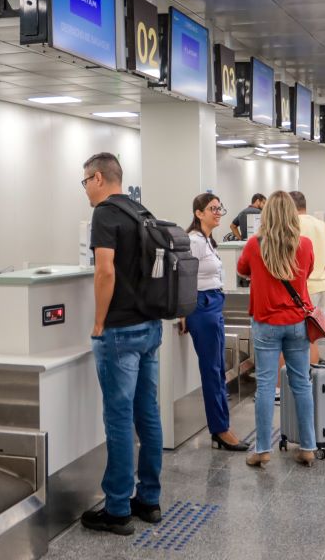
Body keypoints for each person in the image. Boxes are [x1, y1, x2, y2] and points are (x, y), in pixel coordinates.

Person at [80, 152, 162, 535]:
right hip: (149, 326)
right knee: (148, 414)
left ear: (98, 178)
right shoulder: (140, 210)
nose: (85, 190)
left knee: (118, 418)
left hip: (120, 331)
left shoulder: (104, 214)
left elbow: (105, 269)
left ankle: (116, 509)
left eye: (85, 182)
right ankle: (148, 500)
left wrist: (99, 322)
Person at [237, 191, 317, 469]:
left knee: (265, 388)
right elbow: (305, 274)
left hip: (266, 325)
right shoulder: (305, 244)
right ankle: (308, 446)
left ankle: (262, 450)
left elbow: (242, 269)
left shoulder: (254, 244)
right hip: (297, 323)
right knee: (301, 384)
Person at [178, 193, 249, 452]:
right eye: (212, 208)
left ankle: (222, 426)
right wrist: (183, 311)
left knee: (217, 369)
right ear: (198, 213)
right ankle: (220, 429)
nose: (218, 212)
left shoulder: (208, 241)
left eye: (220, 208)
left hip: (214, 303)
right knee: (213, 370)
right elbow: (182, 277)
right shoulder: (194, 241)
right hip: (202, 306)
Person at [289, 191, 325, 360]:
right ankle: (312, 376)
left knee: (301, 339)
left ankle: (304, 377)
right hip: (322, 286)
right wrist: (324, 260)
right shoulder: (319, 224)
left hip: (303, 289)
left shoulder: (291, 225)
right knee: (312, 337)